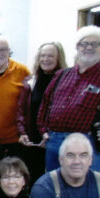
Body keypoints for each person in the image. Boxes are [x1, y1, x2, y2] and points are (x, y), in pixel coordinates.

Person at [37, 25, 100, 173]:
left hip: (89, 145)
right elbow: (45, 105)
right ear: (77, 47)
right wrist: (43, 130)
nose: (89, 47)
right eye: (84, 43)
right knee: (54, 191)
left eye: (95, 44)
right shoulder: (61, 75)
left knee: (87, 192)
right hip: (55, 144)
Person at [17, 42, 68, 185]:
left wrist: (50, 135)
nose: (46, 59)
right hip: (33, 143)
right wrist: (22, 132)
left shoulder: (66, 81)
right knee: (33, 181)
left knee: (56, 182)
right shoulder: (31, 81)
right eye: (43, 55)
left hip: (55, 140)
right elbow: (21, 110)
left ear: (59, 58)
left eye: (51, 56)